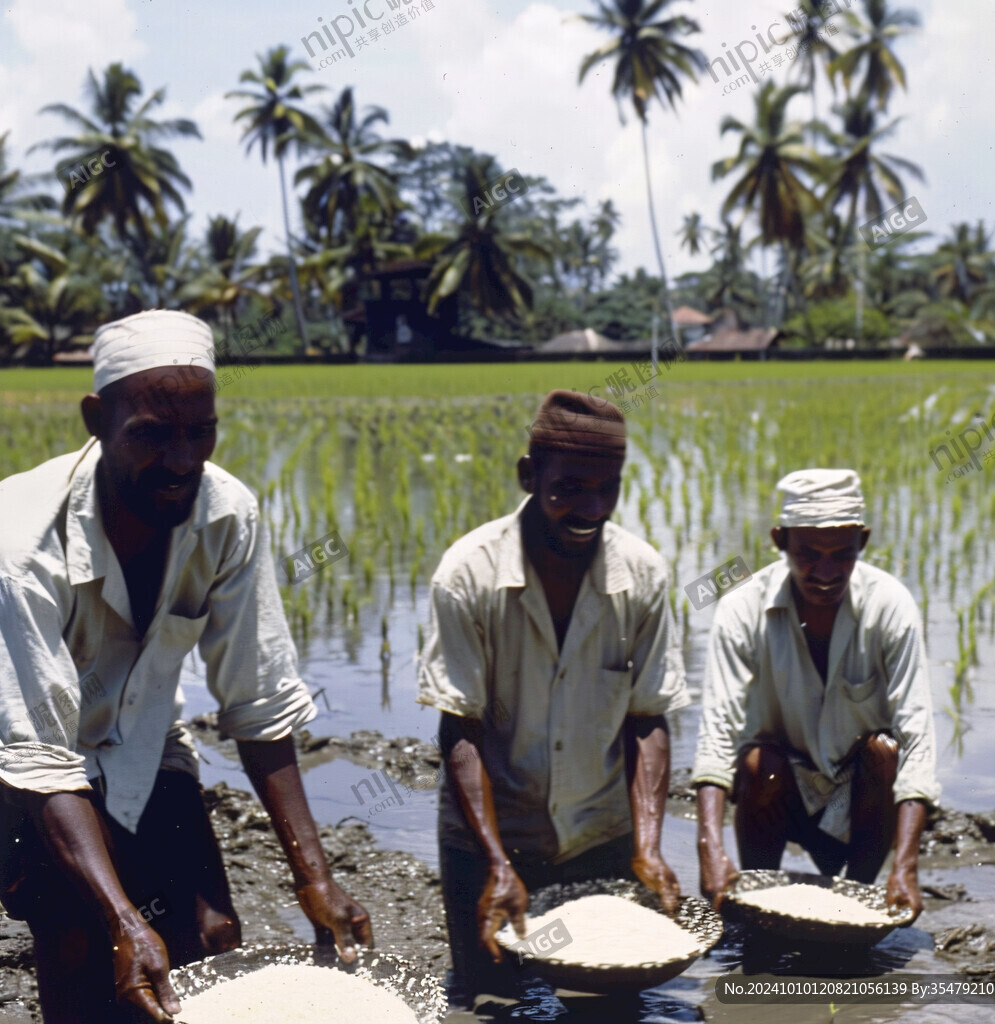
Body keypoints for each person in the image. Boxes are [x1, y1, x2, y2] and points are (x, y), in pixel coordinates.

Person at [0, 310, 372, 1024]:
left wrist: (314, 880)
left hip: (143, 743)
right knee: (81, 943)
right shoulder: (25, 546)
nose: (180, 460)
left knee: (212, 938)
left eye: (199, 430)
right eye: (150, 433)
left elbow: (258, 704)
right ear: (96, 420)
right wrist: (122, 920)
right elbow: (43, 761)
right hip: (25, 770)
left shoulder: (226, 515)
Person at [417, 389, 688, 1006]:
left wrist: (647, 846)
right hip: (492, 833)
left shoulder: (642, 576)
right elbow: (461, 730)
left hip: (598, 832)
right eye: (568, 488)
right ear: (527, 475)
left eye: (607, 489)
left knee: (606, 1003)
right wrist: (496, 863)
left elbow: (648, 717)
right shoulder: (468, 575)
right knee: (489, 1001)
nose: (589, 508)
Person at [693, 469, 939, 922]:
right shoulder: (741, 608)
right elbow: (717, 734)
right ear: (780, 540)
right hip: (780, 788)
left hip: (857, 796)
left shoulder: (891, 605)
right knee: (757, 763)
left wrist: (906, 864)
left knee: (885, 754)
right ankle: (758, 908)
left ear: (861, 543)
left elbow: (918, 737)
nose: (825, 573)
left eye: (842, 555)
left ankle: (859, 904)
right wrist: (709, 845)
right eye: (807, 553)